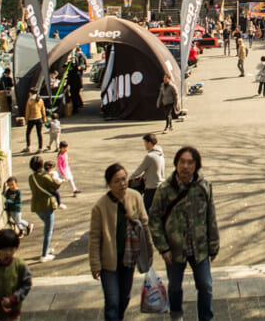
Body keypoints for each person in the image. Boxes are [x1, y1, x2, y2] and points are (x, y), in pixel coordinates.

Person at [149, 147, 219, 321]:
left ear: (196, 166)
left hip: (199, 247)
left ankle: (206, 318)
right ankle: (176, 316)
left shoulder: (204, 186)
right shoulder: (165, 189)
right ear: (176, 164)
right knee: (174, 287)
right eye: (182, 162)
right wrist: (163, 248)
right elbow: (154, 220)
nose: (185, 166)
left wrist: (214, 244)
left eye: (190, 162)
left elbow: (211, 217)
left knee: (205, 285)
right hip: (174, 249)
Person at [89, 163, 151, 321]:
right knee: (112, 301)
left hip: (128, 258)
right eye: (117, 181)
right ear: (109, 184)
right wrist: (95, 264)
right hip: (108, 261)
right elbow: (95, 237)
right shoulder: (100, 206)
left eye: (124, 179)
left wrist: (149, 252)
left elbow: (145, 224)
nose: (122, 183)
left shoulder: (135, 196)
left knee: (125, 297)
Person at [28, 155, 61, 263]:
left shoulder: (31, 177)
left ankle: (46, 249)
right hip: (47, 205)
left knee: (47, 227)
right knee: (48, 230)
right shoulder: (45, 177)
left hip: (36, 206)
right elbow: (55, 187)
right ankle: (44, 254)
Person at [130, 133, 165, 212]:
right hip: (160, 185)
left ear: (149, 143)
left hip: (151, 187)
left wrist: (131, 177)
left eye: (145, 142)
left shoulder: (150, 157)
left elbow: (139, 170)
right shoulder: (160, 153)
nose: (144, 145)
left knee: (146, 210)